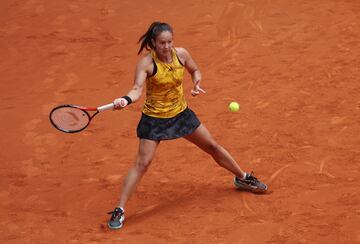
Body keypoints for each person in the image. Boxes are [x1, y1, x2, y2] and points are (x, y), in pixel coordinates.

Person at [107, 22, 268, 230]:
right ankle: (120, 209)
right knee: (142, 164)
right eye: (162, 43)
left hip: (181, 114)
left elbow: (195, 69)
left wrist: (197, 82)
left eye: (169, 42)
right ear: (153, 44)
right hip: (154, 120)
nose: (166, 47)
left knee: (213, 147)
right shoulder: (146, 64)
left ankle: (243, 178)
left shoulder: (180, 54)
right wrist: (125, 100)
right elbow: (137, 90)